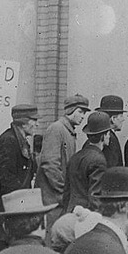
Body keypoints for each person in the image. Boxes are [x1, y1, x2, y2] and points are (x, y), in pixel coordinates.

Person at [0, 104, 39, 244]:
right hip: (7, 207)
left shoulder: (18, 140)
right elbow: (5, 179)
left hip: (13, 206)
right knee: (8, 243)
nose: (37, 124)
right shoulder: (9, 141)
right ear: (23, 123)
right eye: (34, 120)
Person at [36, 94, 91, 227]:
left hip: (60, 200)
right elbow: (50, 165)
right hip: (51, 201)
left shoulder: (68, 132)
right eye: (80, 111)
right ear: (69, 110)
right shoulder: (56, 129)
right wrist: (64, 190)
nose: (83, 116)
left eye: (84, 113)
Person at [63, 112, 112, 213]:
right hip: (85, 215)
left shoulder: (76, 156)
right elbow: (95, 198)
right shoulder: (98, 160)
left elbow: (67, 192)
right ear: (103, 136)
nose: (109, 136)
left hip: (69, 211)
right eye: (108, 133)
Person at [94, 95, 125, 167]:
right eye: (121, 116)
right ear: (113, 119)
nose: (123, 119)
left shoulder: (99, 135)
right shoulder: (109, 138)